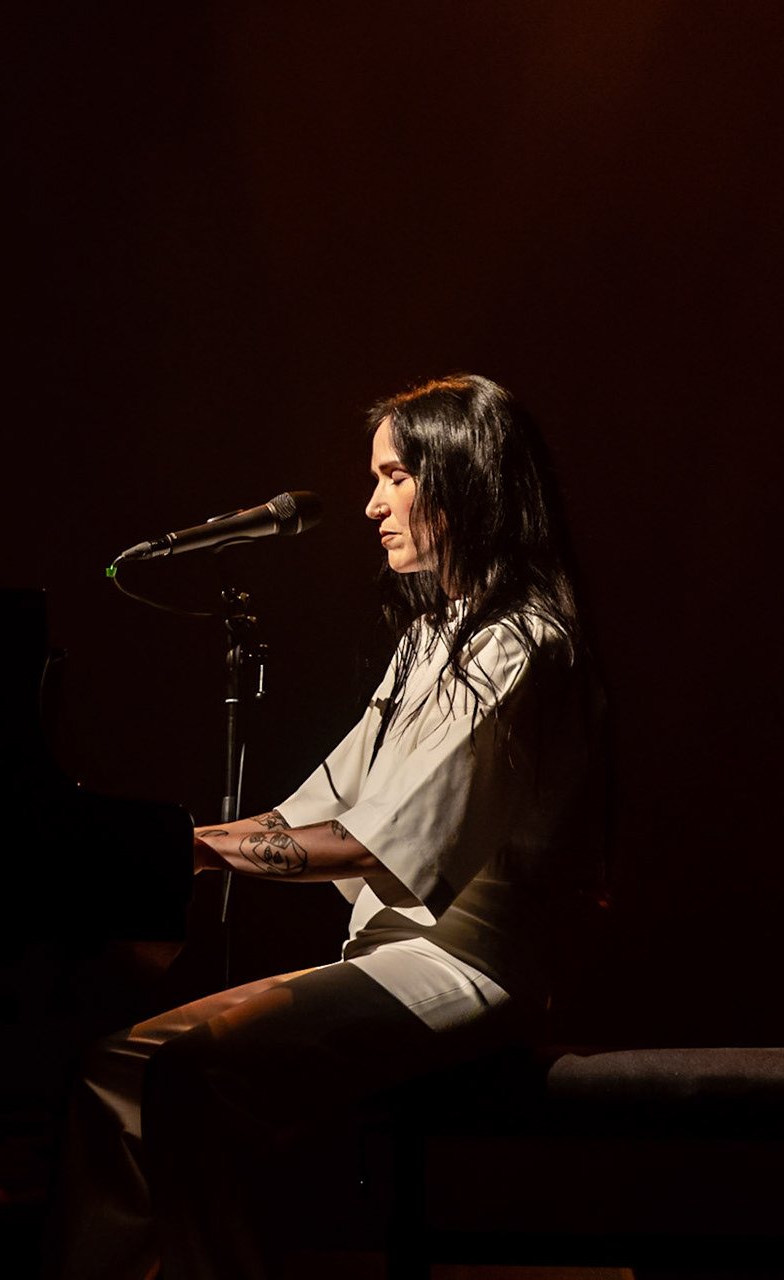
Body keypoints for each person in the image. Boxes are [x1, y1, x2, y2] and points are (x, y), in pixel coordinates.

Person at [47, 374, 605, 1280]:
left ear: (462, 478)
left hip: (471, 968)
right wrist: (156, 837)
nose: (371, 504)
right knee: (114, 1069)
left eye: (394, 477)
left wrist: (183, 849)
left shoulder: (521, 642)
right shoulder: (433, 639)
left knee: (191, 1075)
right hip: (389, 958)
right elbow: (312, 812)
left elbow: (364, 845)